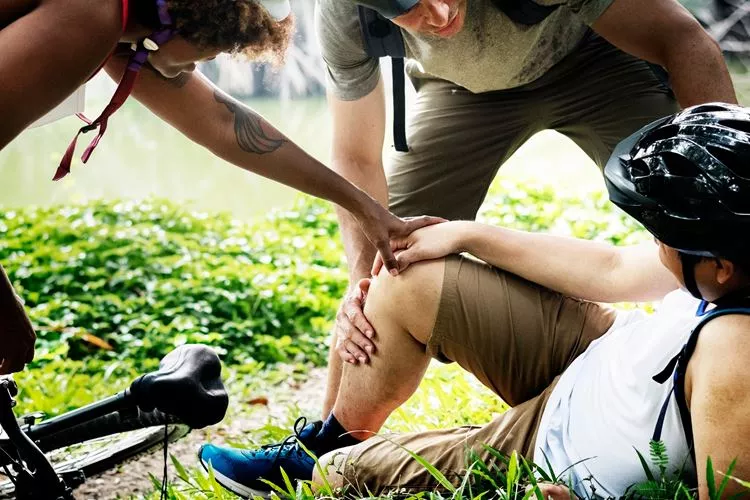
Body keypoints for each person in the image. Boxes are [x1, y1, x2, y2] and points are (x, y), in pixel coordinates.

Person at [200, 103, 750, 498]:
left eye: (663, 236)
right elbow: (610, 267)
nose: (655, 243)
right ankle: (328, 437)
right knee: (411, 276)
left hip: (552, 442)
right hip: (599, 353)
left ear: (720, 267)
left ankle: (330, 460)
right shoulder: (728, 264)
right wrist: (466, 235)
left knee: (341, 476)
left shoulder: (736, 350)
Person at [318, 0, 740, 440]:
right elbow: (354, 155)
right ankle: (323, 442)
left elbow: (683, 37)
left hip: (595, 58)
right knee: (387, 263)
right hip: (462, 89)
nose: (441, 16)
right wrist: (358, 281)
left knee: (709, 214)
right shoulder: (343, 13)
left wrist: (728, 192)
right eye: (411, 6)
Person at [0, 0, 443, 373]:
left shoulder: (123, 29)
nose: (205, 63)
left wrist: (368, 211)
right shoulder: (93, 18)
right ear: (199, 14)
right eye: (220, 47)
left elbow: (225, 126)